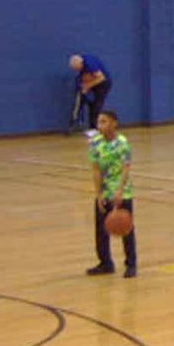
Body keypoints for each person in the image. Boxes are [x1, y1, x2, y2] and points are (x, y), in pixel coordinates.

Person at [87, 109, 137, 278]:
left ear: (114, 123)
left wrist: (120, 191)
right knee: (101, 229)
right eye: (99, 122)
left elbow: (126, 168)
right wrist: (98, 194)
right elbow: (95, 170)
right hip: (105, 190)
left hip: (122, 191)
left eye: (104, 121)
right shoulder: (95, 143)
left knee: (126, 228)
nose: (100, 125)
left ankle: (131, 265)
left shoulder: (122, 143)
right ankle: (105, 263)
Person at [69, 53, 112, 131]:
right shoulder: (81, 64)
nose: (76, 70)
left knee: (96, 105)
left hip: (102, 83)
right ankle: (89, 126)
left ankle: (95, 128)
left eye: (77, 68)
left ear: (80, 64)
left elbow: (101, 78)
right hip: (92, 83)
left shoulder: (90, 64)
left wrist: (87, 86)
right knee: (89, 104)